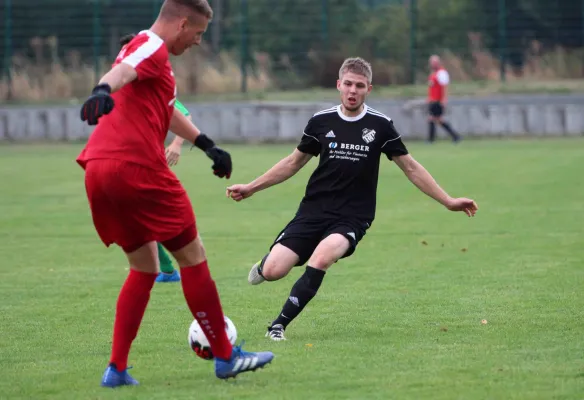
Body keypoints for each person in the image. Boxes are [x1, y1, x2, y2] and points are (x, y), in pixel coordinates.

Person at [77, 0, 274, 387]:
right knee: (192, 255)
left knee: (145, 267)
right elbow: (121, 72)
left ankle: (116, 369)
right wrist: (102, 88)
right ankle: (225, 356)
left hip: (99, 168)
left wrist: (206, 144)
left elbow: (163, 109)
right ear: (182, 24)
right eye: (198, 34)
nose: (198, 42)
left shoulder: (147, 53)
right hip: (137, 167)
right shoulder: (151, 45)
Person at [226, 57, 478, 342]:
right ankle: (265, 264)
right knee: (274, 270)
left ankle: (278, 325)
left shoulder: (381, 125)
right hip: (312, 211)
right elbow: (293, 163)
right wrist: (251, 187)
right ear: (338, 85)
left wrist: (448, 200)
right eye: (348, 84)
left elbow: (411, 167)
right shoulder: (321, 121)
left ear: (368, 88)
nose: (352, 91)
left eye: (359, 85)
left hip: (352, 216)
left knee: (322, 257)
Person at [118, 31, 185, 284]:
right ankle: (166, 269)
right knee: (134, 218)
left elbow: (183, 115)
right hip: (125, 163)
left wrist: (177, 143)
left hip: (148, 164)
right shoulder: (125, 86)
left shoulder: (155, 84)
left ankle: (170, 268)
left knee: (142, 217)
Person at [427, 55, 461, 143]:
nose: (432, 64)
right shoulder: (433, 73)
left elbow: (444, 87)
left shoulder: (442, 73)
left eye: (433, 62)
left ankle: (432, 140)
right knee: (435, 119)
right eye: (431, 62)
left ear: (438, 63)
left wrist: (443, 99)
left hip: (438, 100)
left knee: (435, 119)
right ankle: (455, 136)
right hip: (433, 100)